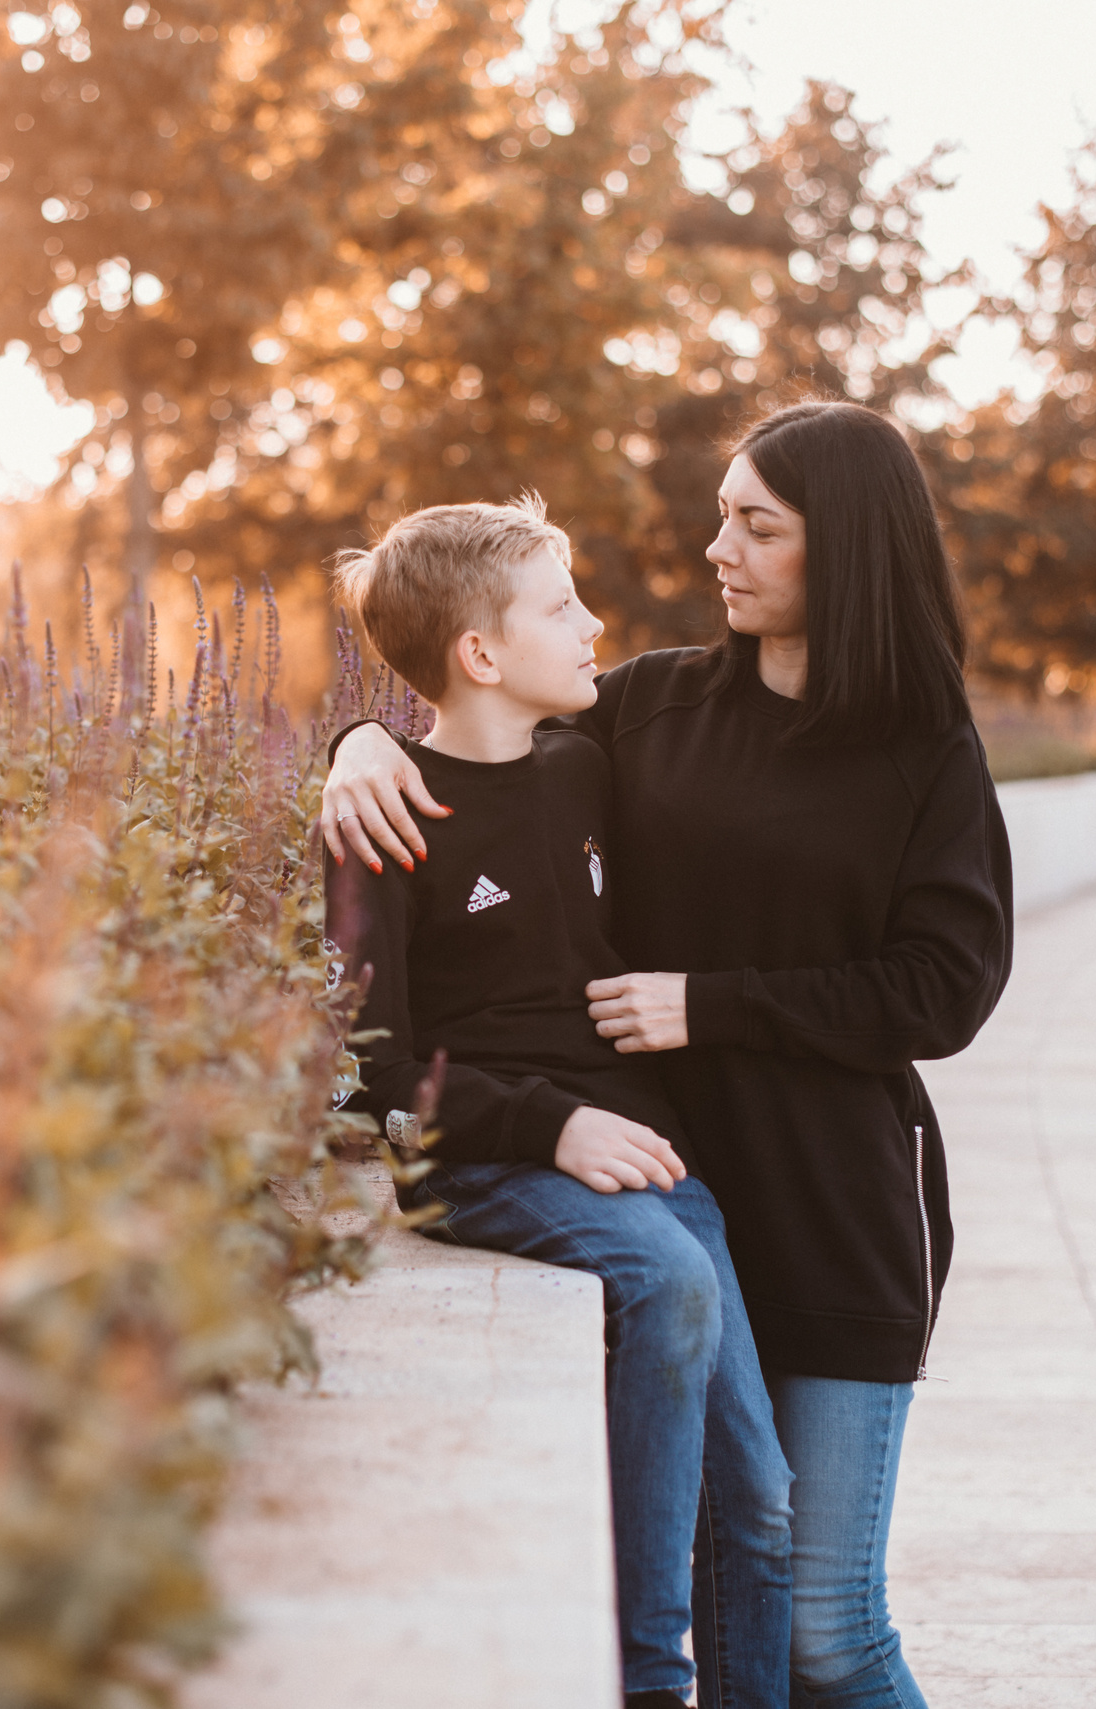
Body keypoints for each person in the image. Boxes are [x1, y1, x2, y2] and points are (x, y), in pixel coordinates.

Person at [323, 403, 1013, 1709]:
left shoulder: (927, 753)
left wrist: (714, 1004)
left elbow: (949, 988)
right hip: (664, 1190)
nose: (717, 549)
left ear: (845, 548)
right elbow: (472, 742)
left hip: (833, 1215)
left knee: (830, 1632)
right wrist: (353, 747)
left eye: (756, 524)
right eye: (722, 516)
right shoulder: (648, 708)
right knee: (730, 1582)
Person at [324, 497, 791, 1709]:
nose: (592, 624)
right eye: (560, 604)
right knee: (669, 1283)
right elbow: (377, 1072)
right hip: (489, 1154)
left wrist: (348, 727)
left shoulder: (585, 765)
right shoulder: (388, 817)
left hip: (636, 1148)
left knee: (762, 1498)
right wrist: (553, 1126)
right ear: (481, 653)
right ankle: (648, 1683)